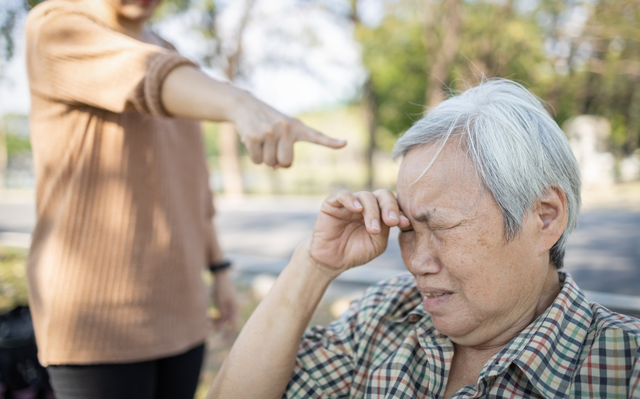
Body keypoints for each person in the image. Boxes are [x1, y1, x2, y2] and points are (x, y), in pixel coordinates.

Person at [209, 79, 640, 398]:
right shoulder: (387, 317)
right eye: (410, 230)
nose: (416, 262)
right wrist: (315, 264)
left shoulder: (625, 366)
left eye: (443, 226)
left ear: (544, 218)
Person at [24, 0, 345, 398]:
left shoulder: (172, 53)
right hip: (96, 322)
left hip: (182, 313)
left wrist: (219, 269)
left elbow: (190, 184)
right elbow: (148, 75)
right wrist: (238, 103)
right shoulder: (55, 26)